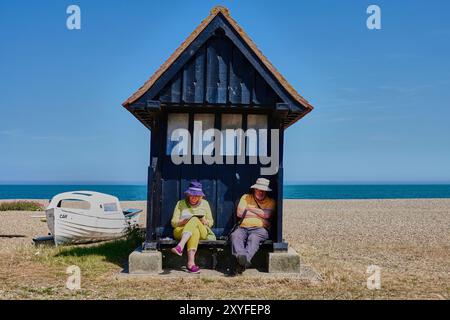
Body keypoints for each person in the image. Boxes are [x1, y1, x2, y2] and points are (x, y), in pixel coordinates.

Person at [230, 177, 275, 272]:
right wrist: (260, 215)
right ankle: (243, 261)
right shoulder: (246, 197)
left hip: (260, 229)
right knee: (235, 236)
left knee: (253, 238)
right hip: (242, 227)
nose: (261, 192)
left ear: (266, 191)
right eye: (259, 190)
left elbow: (267, 214)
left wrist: (248, 208)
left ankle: (241, 263)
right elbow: (239, 213)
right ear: (255, 189)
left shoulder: (271, 201)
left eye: (263, 190)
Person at [170, 180, 215, 273]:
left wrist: (205, 221)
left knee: (194, 219)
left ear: (200, 196)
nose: (194, 198)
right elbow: (173, 223)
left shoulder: (205, 203)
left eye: (197, 196)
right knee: (194, 231)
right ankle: (191, 264)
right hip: (180, 230)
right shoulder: (180, 203)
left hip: (203, 231)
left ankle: (180, 246)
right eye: (192, 195)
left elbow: (211, 222)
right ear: (188, 194)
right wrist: (182, 222)